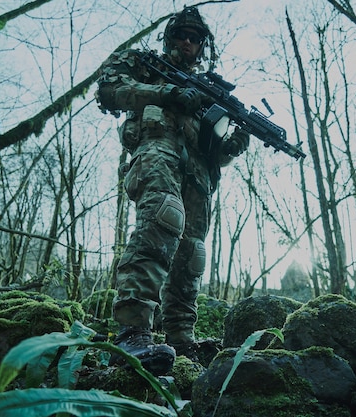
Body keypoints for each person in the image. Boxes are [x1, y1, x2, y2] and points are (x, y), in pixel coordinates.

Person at [95, 6, 249, 376]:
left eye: (195, 37)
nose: (187, 41)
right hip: (157, 149)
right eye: (182, 34)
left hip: (197, 174)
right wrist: (167, 93)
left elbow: (212, 153)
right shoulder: (146, 64)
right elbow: (108, 89)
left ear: (202, 45)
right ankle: (133, 329)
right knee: (162, 219)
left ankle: (181, 338)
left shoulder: (208, 94)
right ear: (170, 37)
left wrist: (233, 145)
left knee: (193, 252)